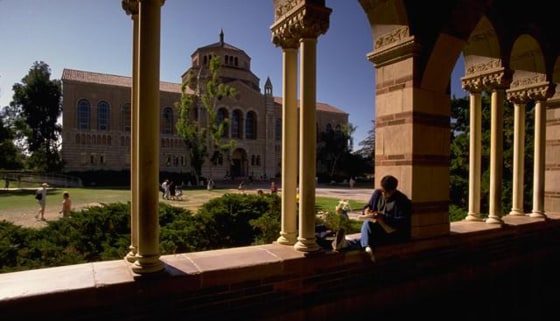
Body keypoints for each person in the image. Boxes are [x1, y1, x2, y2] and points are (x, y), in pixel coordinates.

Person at [332, 175, 411, 262]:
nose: (384, 194)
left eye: (386, 192)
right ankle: (364, 247)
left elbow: (402, 222)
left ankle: (353, 244)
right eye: (383, 191)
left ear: (393, 190)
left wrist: (383, 217)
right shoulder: (377, 194)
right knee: (368, 230)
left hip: (392, 232)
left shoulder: (402, 200)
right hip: (377, 230)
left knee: (367, 225)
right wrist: (366, 211)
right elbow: (367, 206)